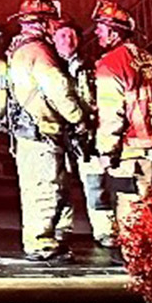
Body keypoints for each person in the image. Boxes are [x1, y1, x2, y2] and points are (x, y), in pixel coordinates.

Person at [0, 0, 89, 262]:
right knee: (44, 187)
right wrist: (79, 118)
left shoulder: (17, 48)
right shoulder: (39, 52)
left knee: (43, 186)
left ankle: (48, 239)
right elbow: (58, 89)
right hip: (41, 132)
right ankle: (40, 244)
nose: (55, 27)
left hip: (29, 132)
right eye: (51, 21)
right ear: (42, 22)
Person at [92, 0, 152, 256]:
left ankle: (140, 269)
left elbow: (112, 115)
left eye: (100, 27)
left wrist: (105, 152)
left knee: (132, 213)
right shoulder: (149, 59)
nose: (97, 32)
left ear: (114, 31)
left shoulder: (111, 64)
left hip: (135, 152)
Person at [50, 20, 114, 252]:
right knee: (60, 185)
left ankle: (105, 230)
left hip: (88, 135)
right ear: (54, 39)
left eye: (72, 36)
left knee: (96, 184)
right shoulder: (49, 66)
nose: (68, 41)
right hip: (59, 134)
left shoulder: (91, 65)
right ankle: (61, 228)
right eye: (63, 36)